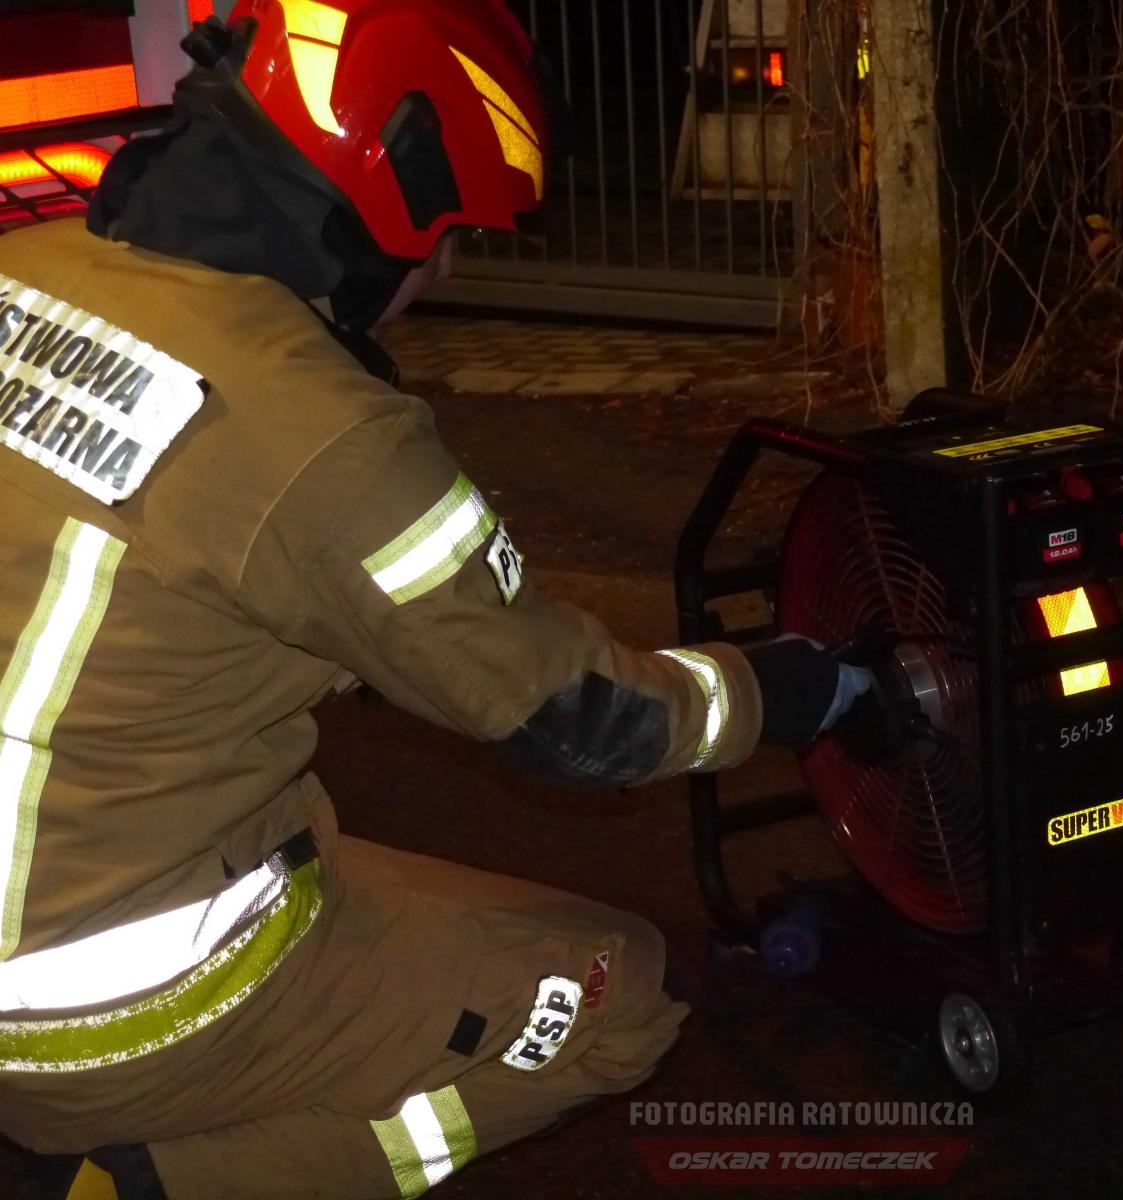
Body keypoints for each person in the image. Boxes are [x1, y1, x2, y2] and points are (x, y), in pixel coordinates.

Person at [0, 2, 868, 1196]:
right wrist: (785, 687)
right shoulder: (325, 436)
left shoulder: (23, 269)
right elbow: (579, 720)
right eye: (451, 229)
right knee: (621, 990)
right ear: (383, 195)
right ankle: (137, 1184)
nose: (448, 266)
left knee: (330, 848)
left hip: (67, 885)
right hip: (102, 1005)